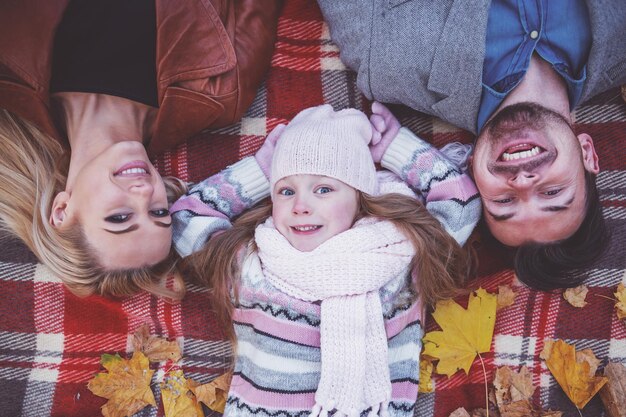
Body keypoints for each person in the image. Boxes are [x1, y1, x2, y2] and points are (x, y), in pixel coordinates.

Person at [171, 105, 480, 415]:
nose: (301, 205)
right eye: (286, 190)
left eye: (323, 189)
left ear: (359, 199)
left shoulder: (399, 256)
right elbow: (185, 220)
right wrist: (262, 169)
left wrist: (394, 146)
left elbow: (461, 205)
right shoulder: (251, 266)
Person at [316, 0, 626, 289]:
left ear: (472, 167)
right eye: (552, 192)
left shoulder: (384, 58)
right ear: (587, 153)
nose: (522, 181)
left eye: (504, 201)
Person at [0, 0, 282, 297]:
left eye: (120, 217)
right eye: (158, 211)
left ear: (61, 211)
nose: (145, 192)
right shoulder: (219, 92)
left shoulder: (10, 76)